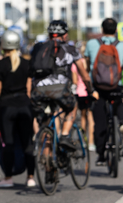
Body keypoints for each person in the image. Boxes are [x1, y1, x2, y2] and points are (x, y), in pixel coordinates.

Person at [30, 20, 93, 151]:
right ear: (64, 35)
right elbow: (84, 73)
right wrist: (90, 89)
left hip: (38, 90)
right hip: (60, 89)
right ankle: (64, 135)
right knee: (72, 106)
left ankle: (46, 158)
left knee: (45, 122)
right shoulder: (70, 49)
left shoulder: (38, 48)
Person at [86, 18, 123, 162]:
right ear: (116, 30)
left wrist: (89, 87)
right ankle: (122, 123)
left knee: (99, 121)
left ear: (102, 30)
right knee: (118, 101)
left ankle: (101, 155)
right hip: (116, 84)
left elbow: (87, 66)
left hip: (98, 86)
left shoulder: (91, 44)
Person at [0, 30, 36, 188]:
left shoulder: (0, 65)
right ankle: (30, 177)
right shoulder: (26, 64)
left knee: (7, 143)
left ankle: (8, 178)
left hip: (7, 107)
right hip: (24, 105)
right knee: (27, 142)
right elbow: (29, 88)